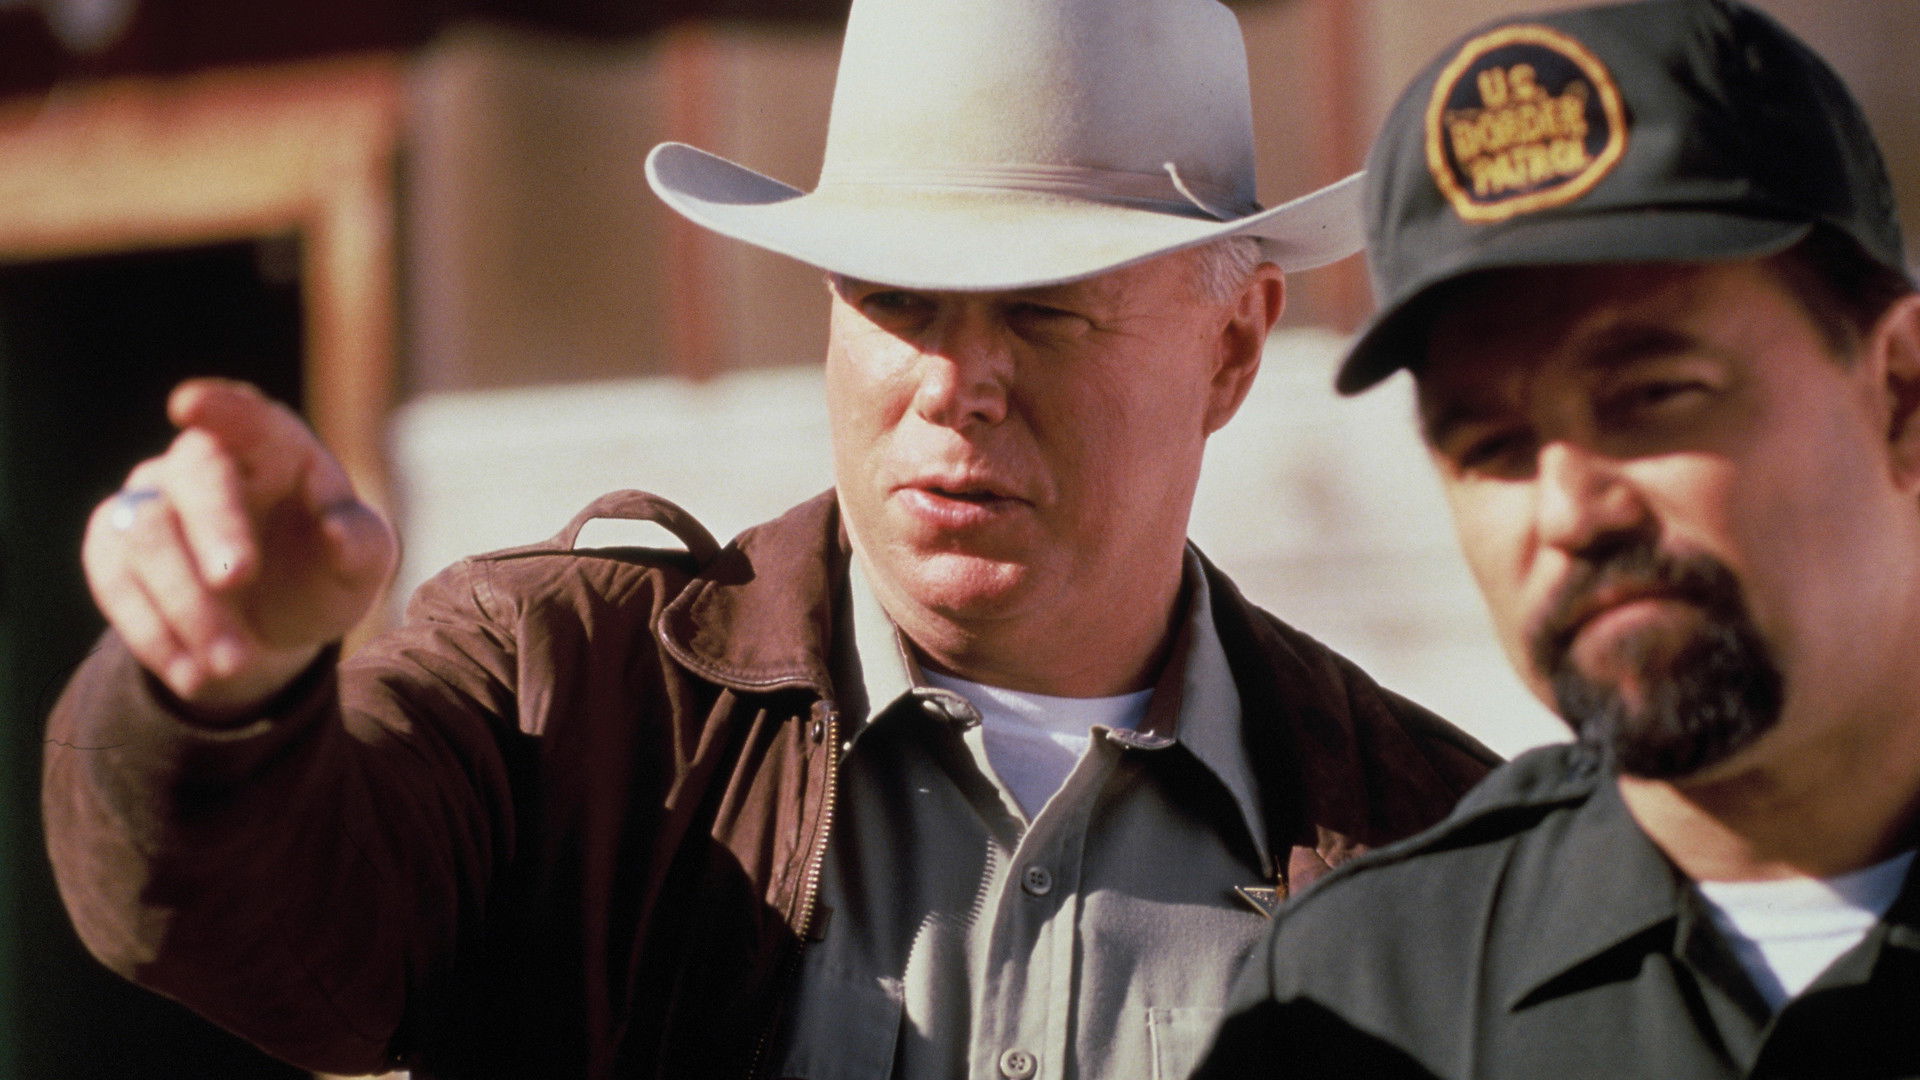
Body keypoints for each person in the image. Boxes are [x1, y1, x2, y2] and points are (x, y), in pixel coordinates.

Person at [43, 0, 1496, 1077]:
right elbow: (244, 915)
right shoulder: (567, 697)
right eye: (893, 299)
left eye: (1044, 309)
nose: (953, 385)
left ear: (1232, 349)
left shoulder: (1441, 845)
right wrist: (220, 698)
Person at [1195, 1, 1920, 1076]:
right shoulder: (1360, 1007)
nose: (1574, 513)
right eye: (1493, 446)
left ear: (1900, 391)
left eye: (1653, 397)